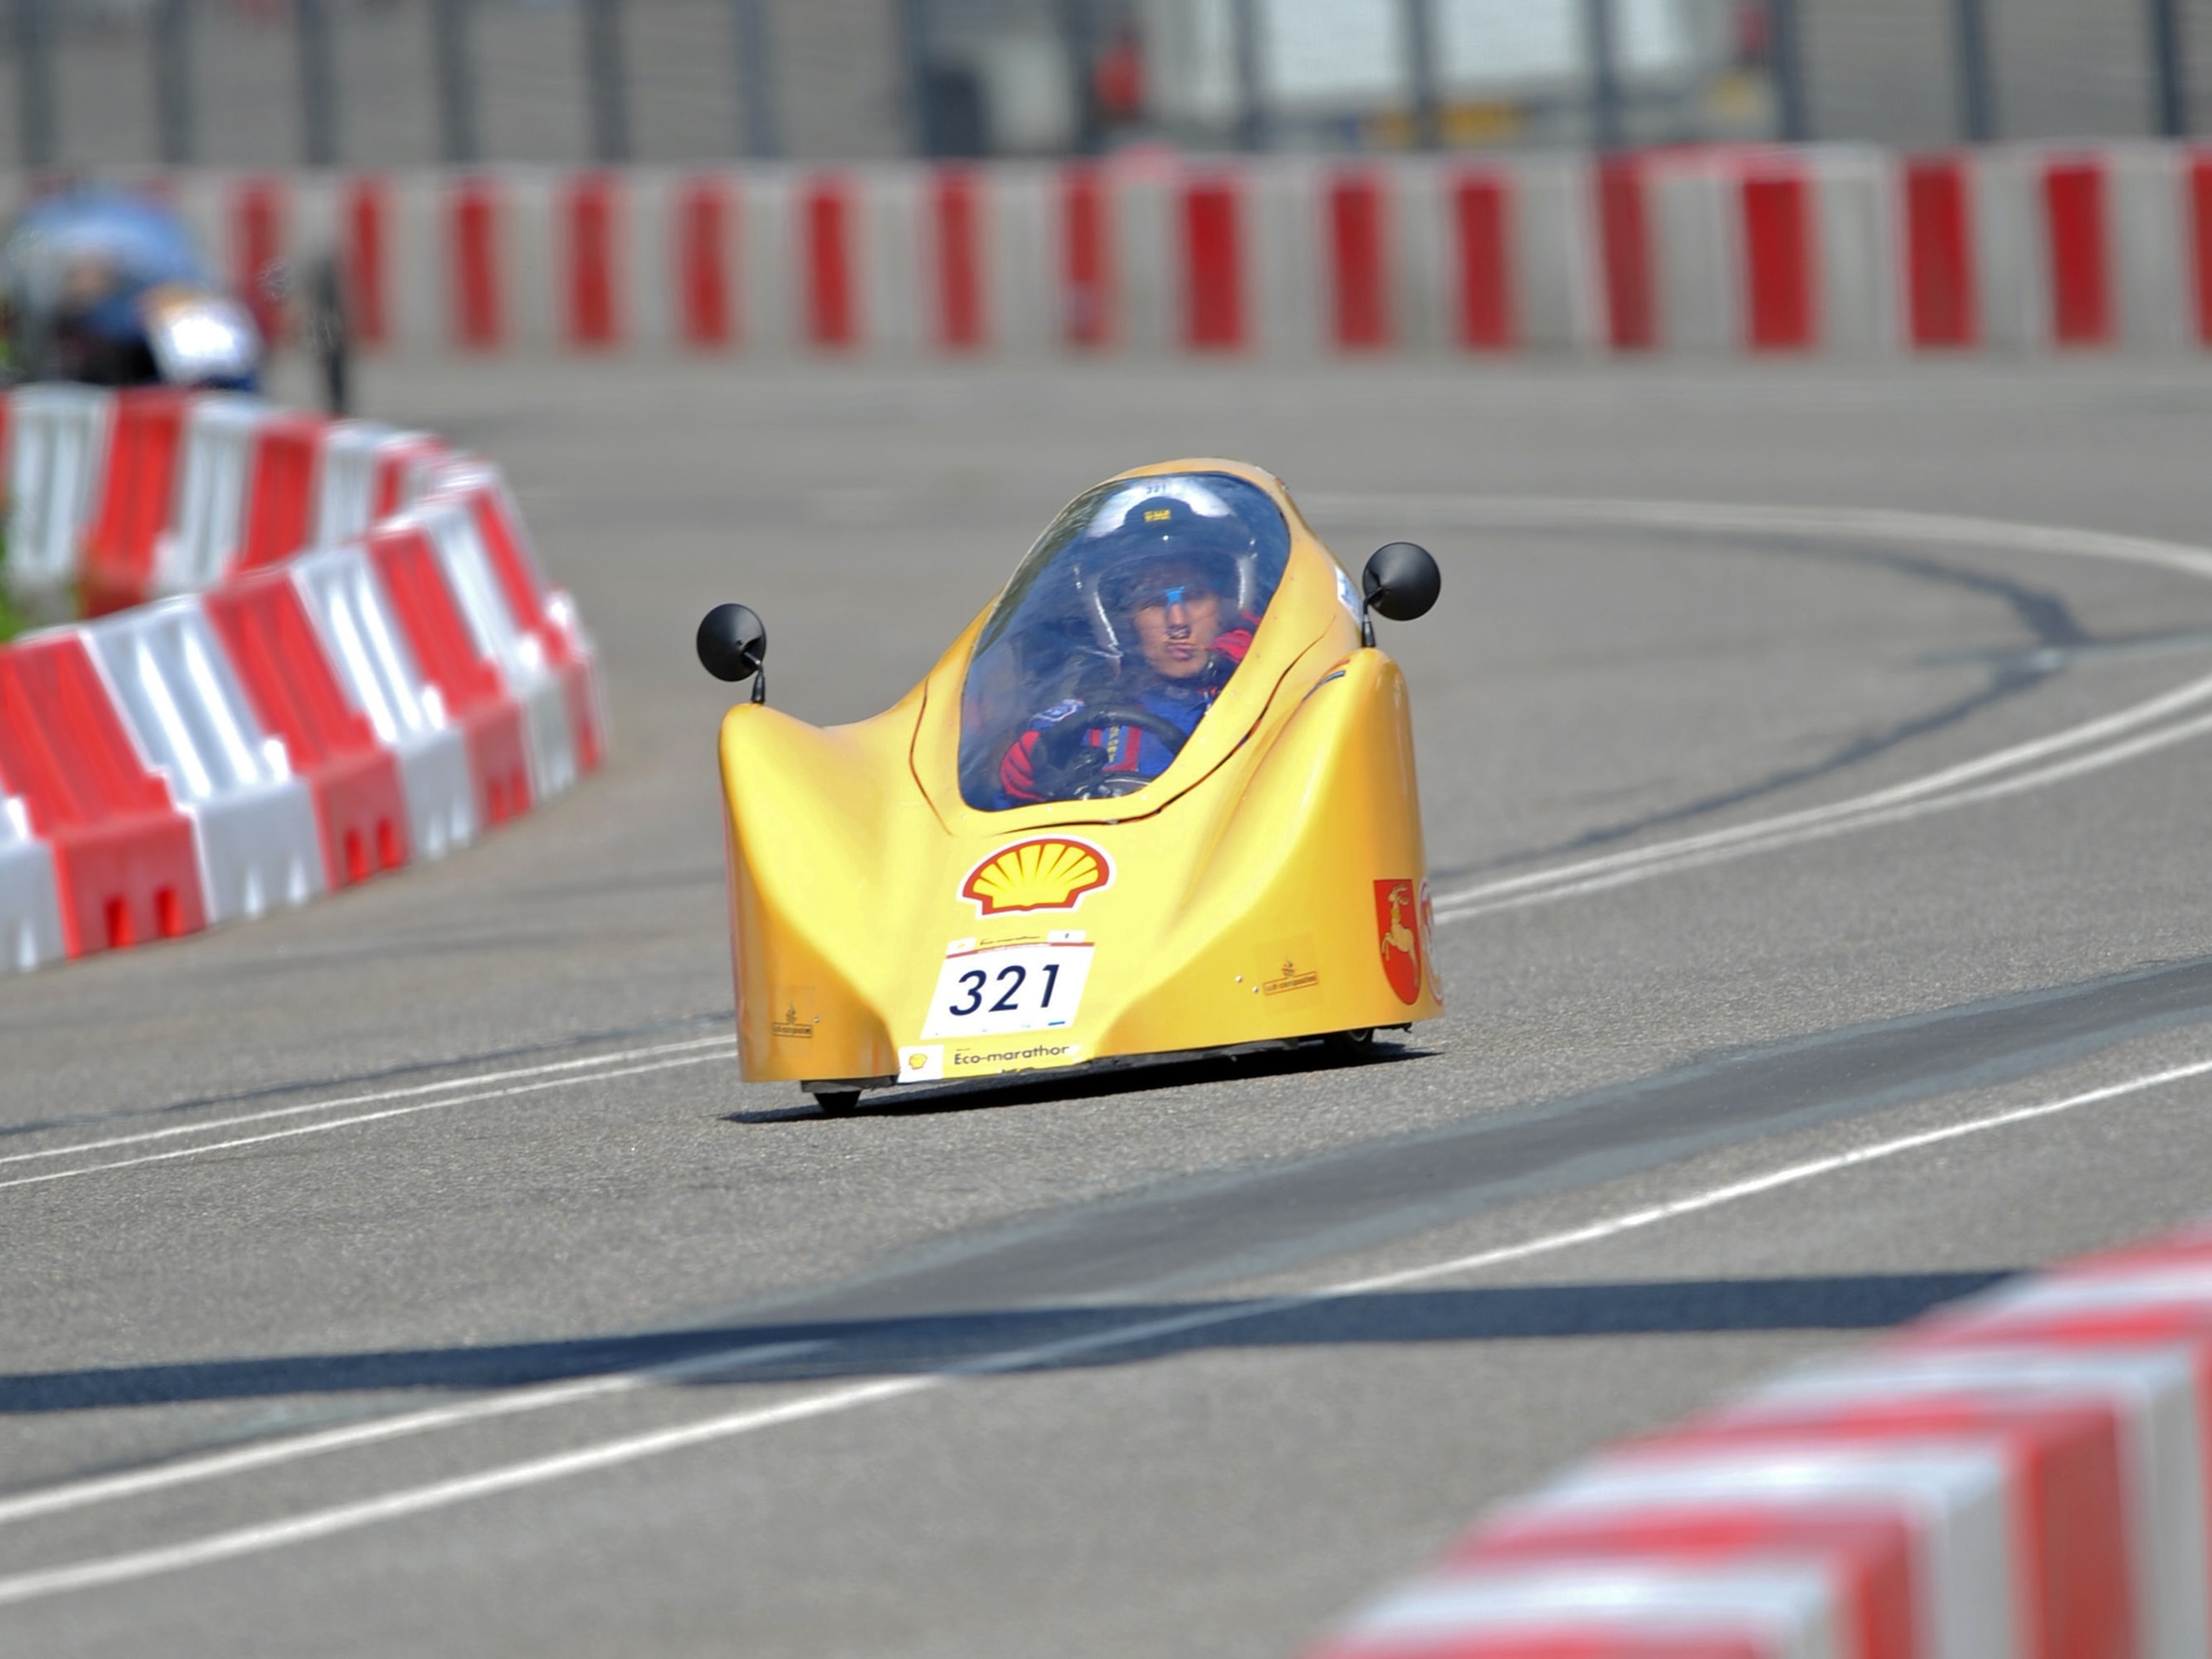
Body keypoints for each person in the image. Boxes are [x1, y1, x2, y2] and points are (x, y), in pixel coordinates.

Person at [998, 497, 1257, 806]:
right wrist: (1025, 782)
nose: (1178, 622)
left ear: (1226, 606)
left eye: (1195, 596)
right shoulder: (1075, 727)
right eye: (1153, 603)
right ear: (1122, 623)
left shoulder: (1273, 698)